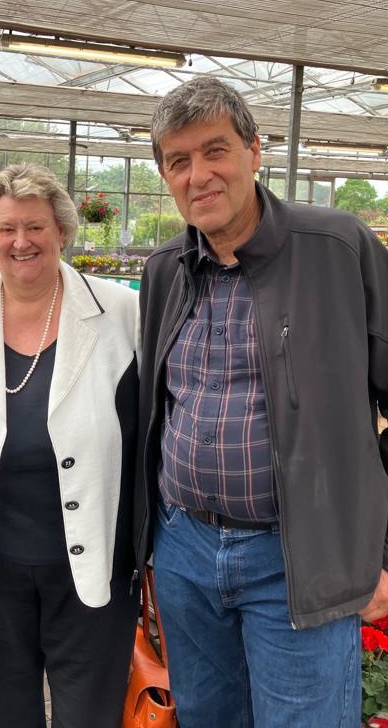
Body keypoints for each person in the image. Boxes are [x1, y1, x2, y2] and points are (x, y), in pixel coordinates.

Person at [134, 76, 388, 728]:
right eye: (178, 161)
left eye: (215, 151)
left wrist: (378, 550)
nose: (199, 175)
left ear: (254, 150)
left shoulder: (337, 248)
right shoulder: (165, 268)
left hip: (297, 557)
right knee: (208, 717)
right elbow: (157, 405)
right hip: (185, 551)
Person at [0, 163, 140, 728]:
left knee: (88, 709)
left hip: (96, 556)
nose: (22, 242)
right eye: (7, 228)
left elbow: (143, 434)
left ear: (62, 231)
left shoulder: (120, 312)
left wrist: (146, 548)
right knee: (1, 708)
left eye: (36, 227)